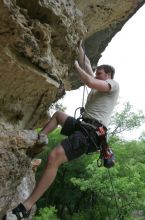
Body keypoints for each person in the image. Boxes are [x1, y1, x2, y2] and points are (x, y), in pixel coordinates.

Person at [3, 41, 119, 220]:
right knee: (58, 115)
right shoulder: (98, 84)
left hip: (92, 134)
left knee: (54, 157)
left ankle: (26, 206)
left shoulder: (113, 85)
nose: (96, 74)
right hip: (84, 125)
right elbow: (88, 66)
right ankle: (40, 138)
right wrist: (79, 46)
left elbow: (88, 79)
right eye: (97, 73)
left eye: (100, 73)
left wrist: (74, 64)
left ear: (109, 75)